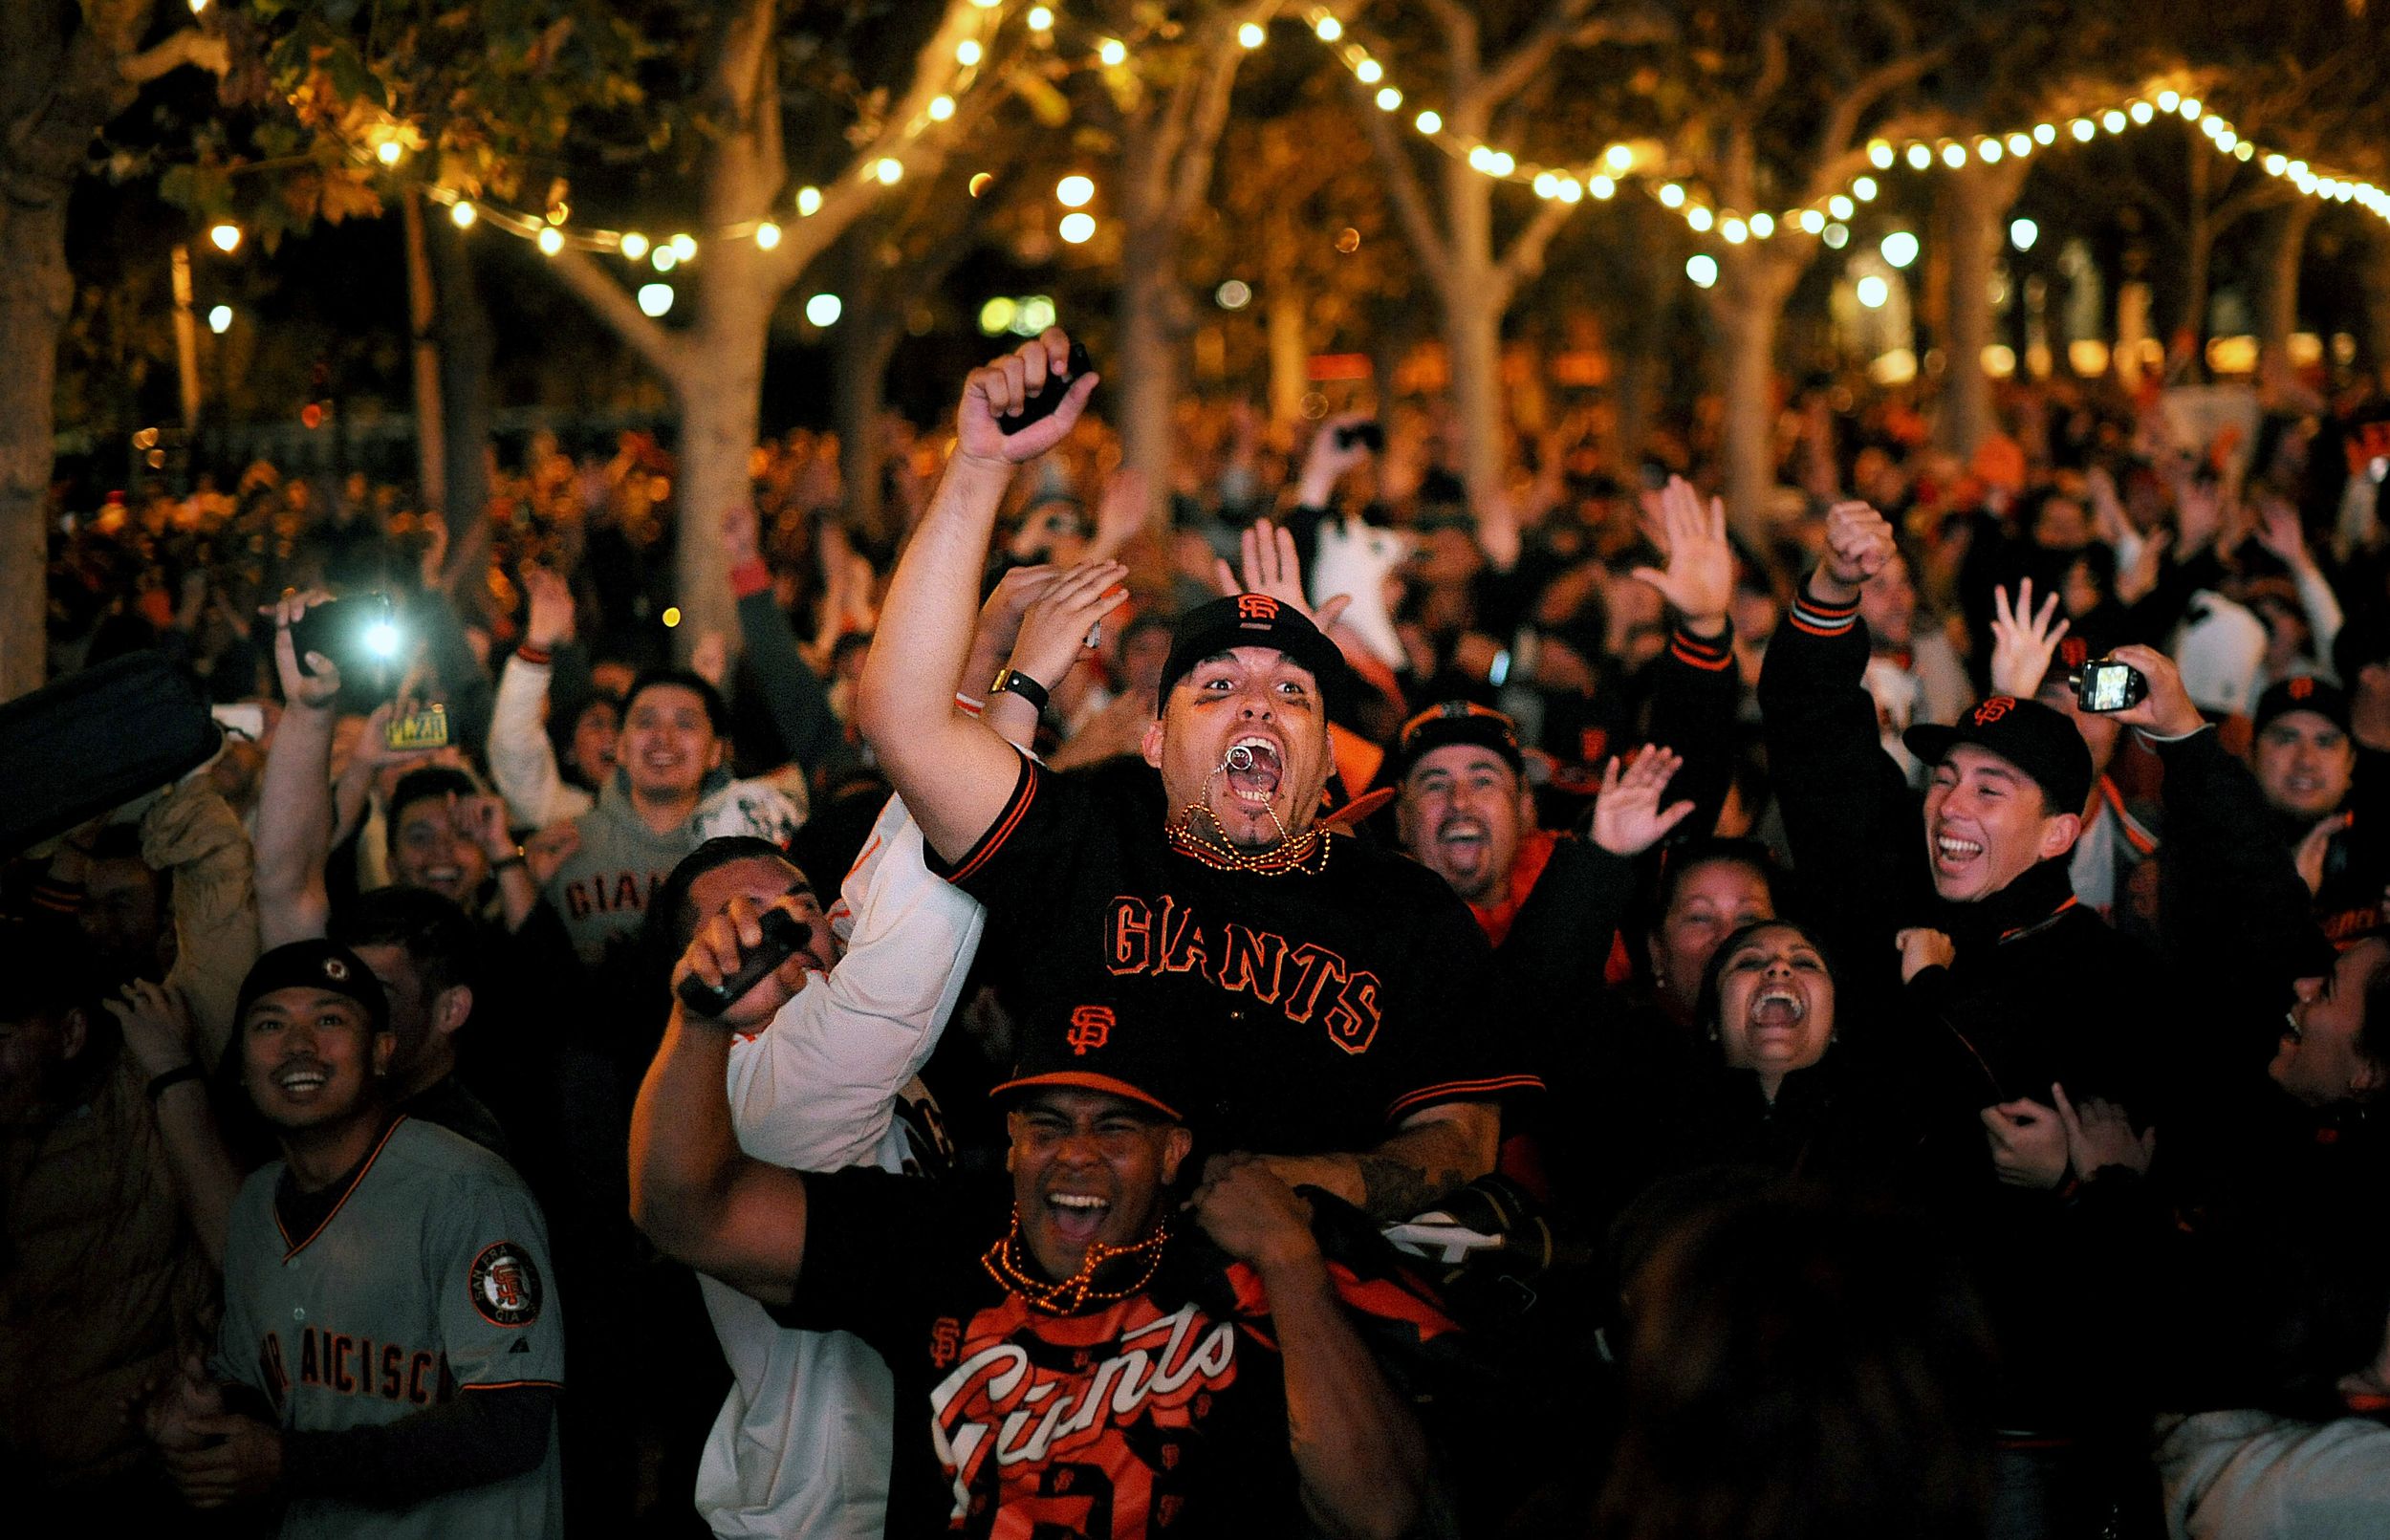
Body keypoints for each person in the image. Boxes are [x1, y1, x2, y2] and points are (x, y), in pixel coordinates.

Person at [855, 330, 1540, 1220]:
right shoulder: (1089, 835)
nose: (1257, 704)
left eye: (1293, 692)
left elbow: (1460, 1136)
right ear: (1152, 739)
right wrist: (979, 468)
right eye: (1217, 686)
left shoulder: (1409, 912)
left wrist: (1288, 1192)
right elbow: (905, 722)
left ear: (1329, 758)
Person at [630, 892, 1433, 1540]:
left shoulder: (1236, 1266)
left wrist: (1290, 1258)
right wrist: (698, 1024)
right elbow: (688, 1212)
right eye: (1047, 1124)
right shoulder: (942, 1234)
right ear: (1012, 1140)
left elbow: (1379, 1513)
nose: (1075, 1154)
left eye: (1114, 1126)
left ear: (1173, 1149)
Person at [144, 940, 565, 1537]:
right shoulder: (254, 1206)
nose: (298, 1046)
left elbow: (512, 1421)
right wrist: (205, 1424)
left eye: (329, 1020)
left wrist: (289, 1463)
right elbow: (268, 1395)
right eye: (270, 1024)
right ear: (239, 1061)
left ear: (382, 1051)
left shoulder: (466, 1191)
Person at [641, 813, 984, 1540]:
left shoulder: (836, 1022)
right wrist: (1008, 704)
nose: (780, 933)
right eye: (741, 923)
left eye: (796, 906)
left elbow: (901, 841)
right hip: (831, 1512)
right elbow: (937, 881)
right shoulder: (764, 1075)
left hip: (870, 1483)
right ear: (693, 966)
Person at [542, 666, 801, 967]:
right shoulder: (563, 846)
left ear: (716, 751)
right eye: (645, 722)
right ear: (622, 747)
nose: (663, 738)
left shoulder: (752, 851)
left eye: (685, 723)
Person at [2247, 677, 2386, 946]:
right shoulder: (2211, 844)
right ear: (2251, 754)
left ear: (2350, 762)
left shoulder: (2382, 836)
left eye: (2325, 742)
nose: (2306, 760)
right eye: (2286, 738)